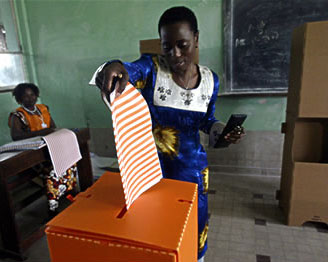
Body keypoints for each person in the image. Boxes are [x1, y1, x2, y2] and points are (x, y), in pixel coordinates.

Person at [91, 6, 245, 261]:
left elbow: (208, 121)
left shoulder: (211, 80)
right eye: (167, 46)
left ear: (196, 38)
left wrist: (223, 132)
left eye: (182, 45)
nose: (175, 54)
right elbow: (129, 70)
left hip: (192, 169)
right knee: (153, 226)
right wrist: (114, 66)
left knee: (193, 225)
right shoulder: (152, 69)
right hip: (150, 168)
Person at [9, 83, 78, 214]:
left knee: (70, 160)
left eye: (32, 95)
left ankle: (68, 192)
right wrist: (42, 132)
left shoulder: (43, 108)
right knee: (51, 170)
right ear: (19, 99)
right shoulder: (17, 115)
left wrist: (50, 132)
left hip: (50, 146)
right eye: (25, 96)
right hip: (34, 153)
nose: (30, 98)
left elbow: (53, 127)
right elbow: (16, 136)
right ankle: (53, 205)